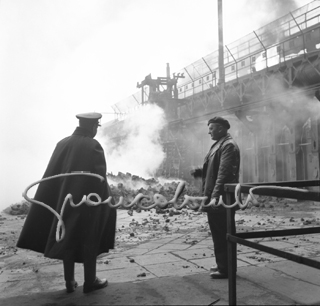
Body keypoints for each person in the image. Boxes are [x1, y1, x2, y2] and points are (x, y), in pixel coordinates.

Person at [17, 112, 117, 293]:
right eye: (96, 127)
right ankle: (90, 281)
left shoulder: (62, 143)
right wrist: (107, 201)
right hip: (85, 204)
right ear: (93, 127)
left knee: (66, 236)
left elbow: (53, 173)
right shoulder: (93, 145)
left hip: (63, 202)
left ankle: (69, 281)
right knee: (89, 239)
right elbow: (98, 179)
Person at [191, 116, 240, 279]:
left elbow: (223, 174)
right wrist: (201, 171)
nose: (209, 131)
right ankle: (223, 265)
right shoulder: (221, 144)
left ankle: (226, 269)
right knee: (219, 233)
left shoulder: (228, 145)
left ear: (220, 128)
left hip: (221, 199)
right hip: (217, 197)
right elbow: (217, 168)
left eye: (211, 128)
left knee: (223, 233)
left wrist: (215, 197)